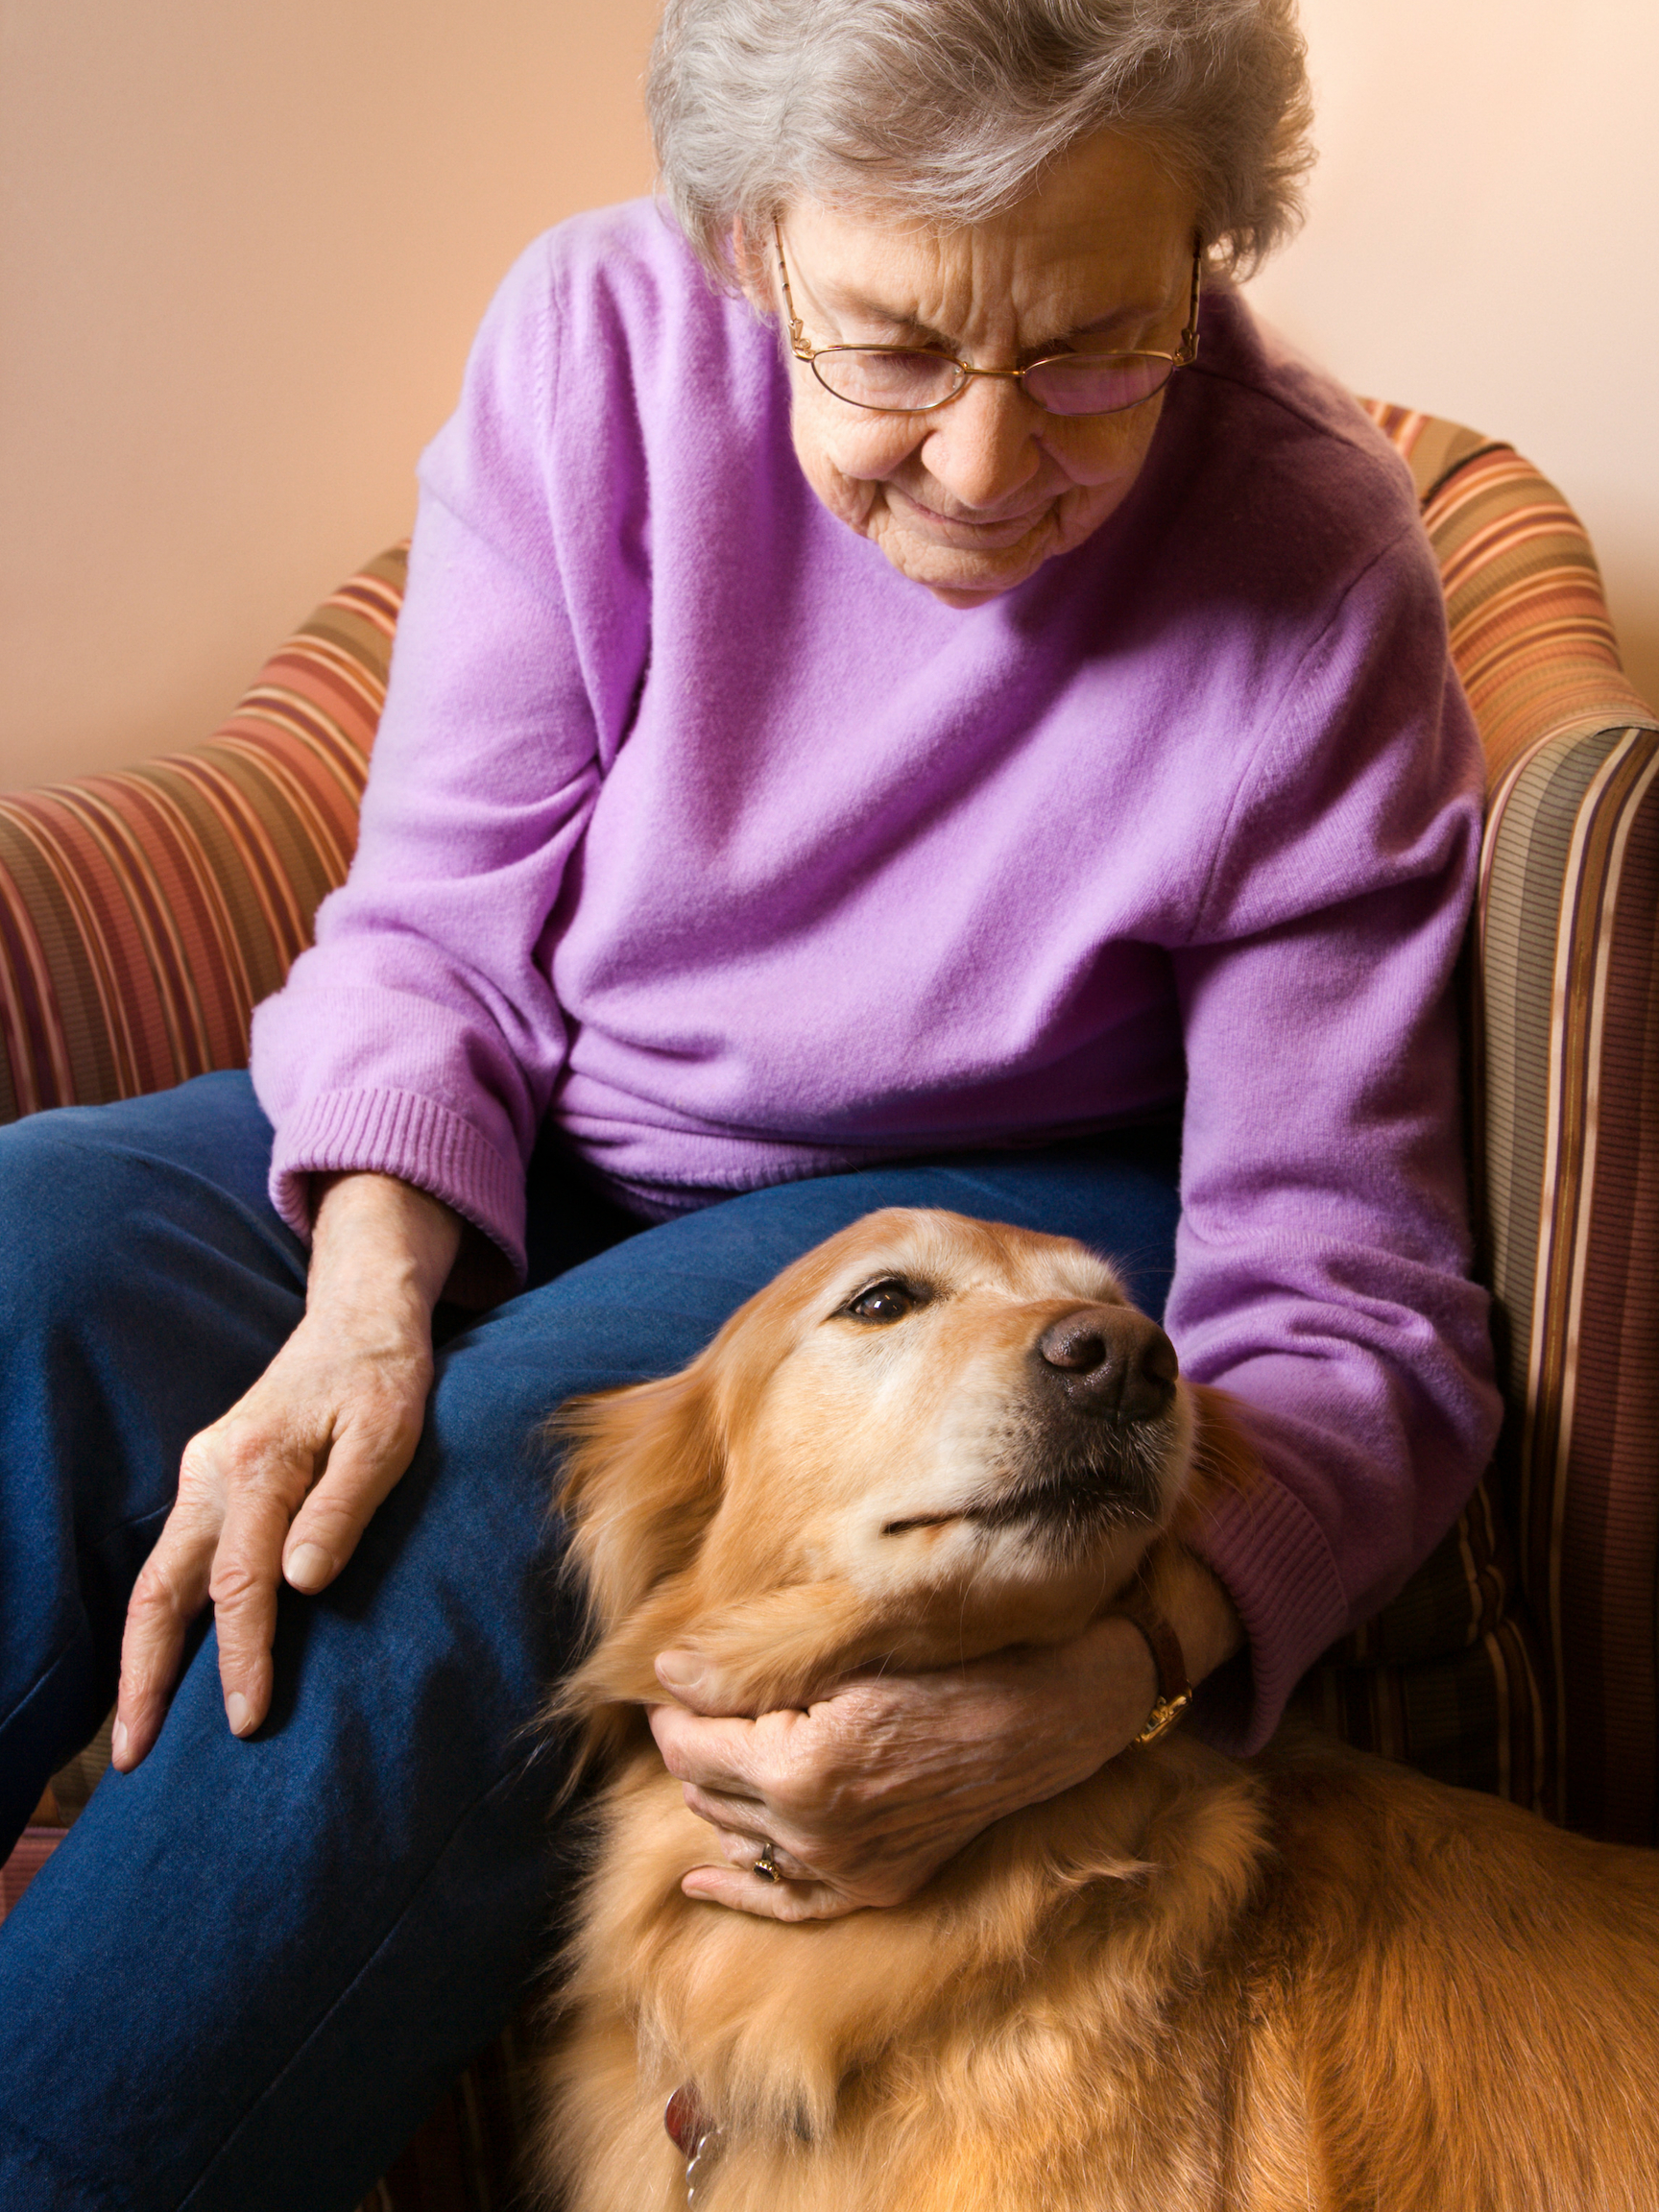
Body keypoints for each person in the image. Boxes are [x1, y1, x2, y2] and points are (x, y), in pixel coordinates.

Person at [0, 1, 1502, 2203]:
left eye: (1098, 346)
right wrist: (365, 1299)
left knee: (477, 1508)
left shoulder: (1320, 574)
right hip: (535, 1110)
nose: (991, 466)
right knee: (32, 1249)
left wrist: (1135, 1671)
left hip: (958, 1185)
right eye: (888, 352)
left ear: (1207, 255)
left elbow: (1354, 1296)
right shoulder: (597, 339)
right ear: (747, 247)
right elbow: (432, 919)